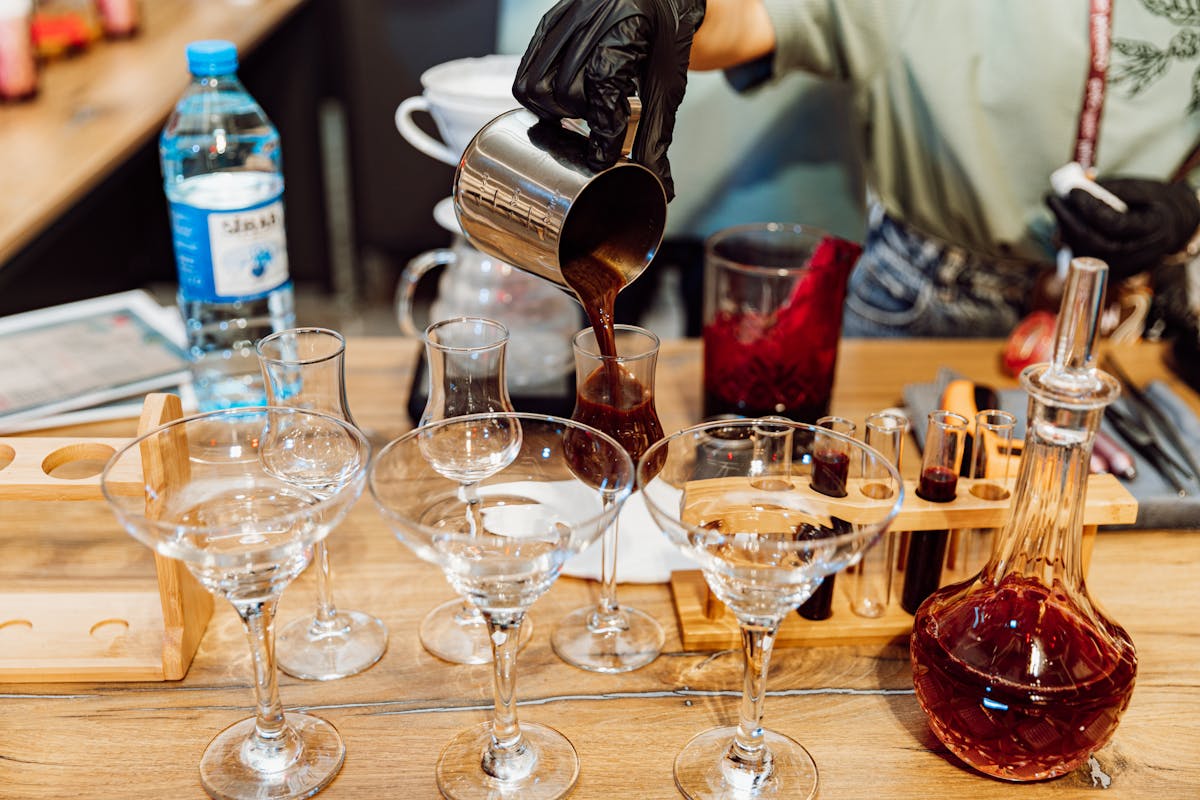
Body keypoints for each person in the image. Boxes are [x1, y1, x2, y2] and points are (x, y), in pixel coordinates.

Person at [511, 0, 1200, 338]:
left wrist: (1187, 206)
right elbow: (750, 20)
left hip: (1135, 314)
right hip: (925, 302)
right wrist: (669, 10)